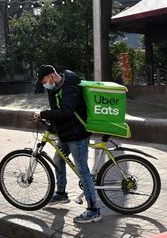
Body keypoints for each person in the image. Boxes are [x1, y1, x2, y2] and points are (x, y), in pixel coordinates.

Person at [32, 65, 102, 223]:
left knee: (83, 170)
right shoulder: (56, 87)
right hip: (67, 133)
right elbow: (57, 110)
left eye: (44, 81)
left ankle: (94, 211)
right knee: (58, 159)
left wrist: (43, 114)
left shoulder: (70, 87)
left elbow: (66, 111)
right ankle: (61, 194)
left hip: (77, 134)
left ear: (51, 76)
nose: (44, 85)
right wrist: (49, 122)